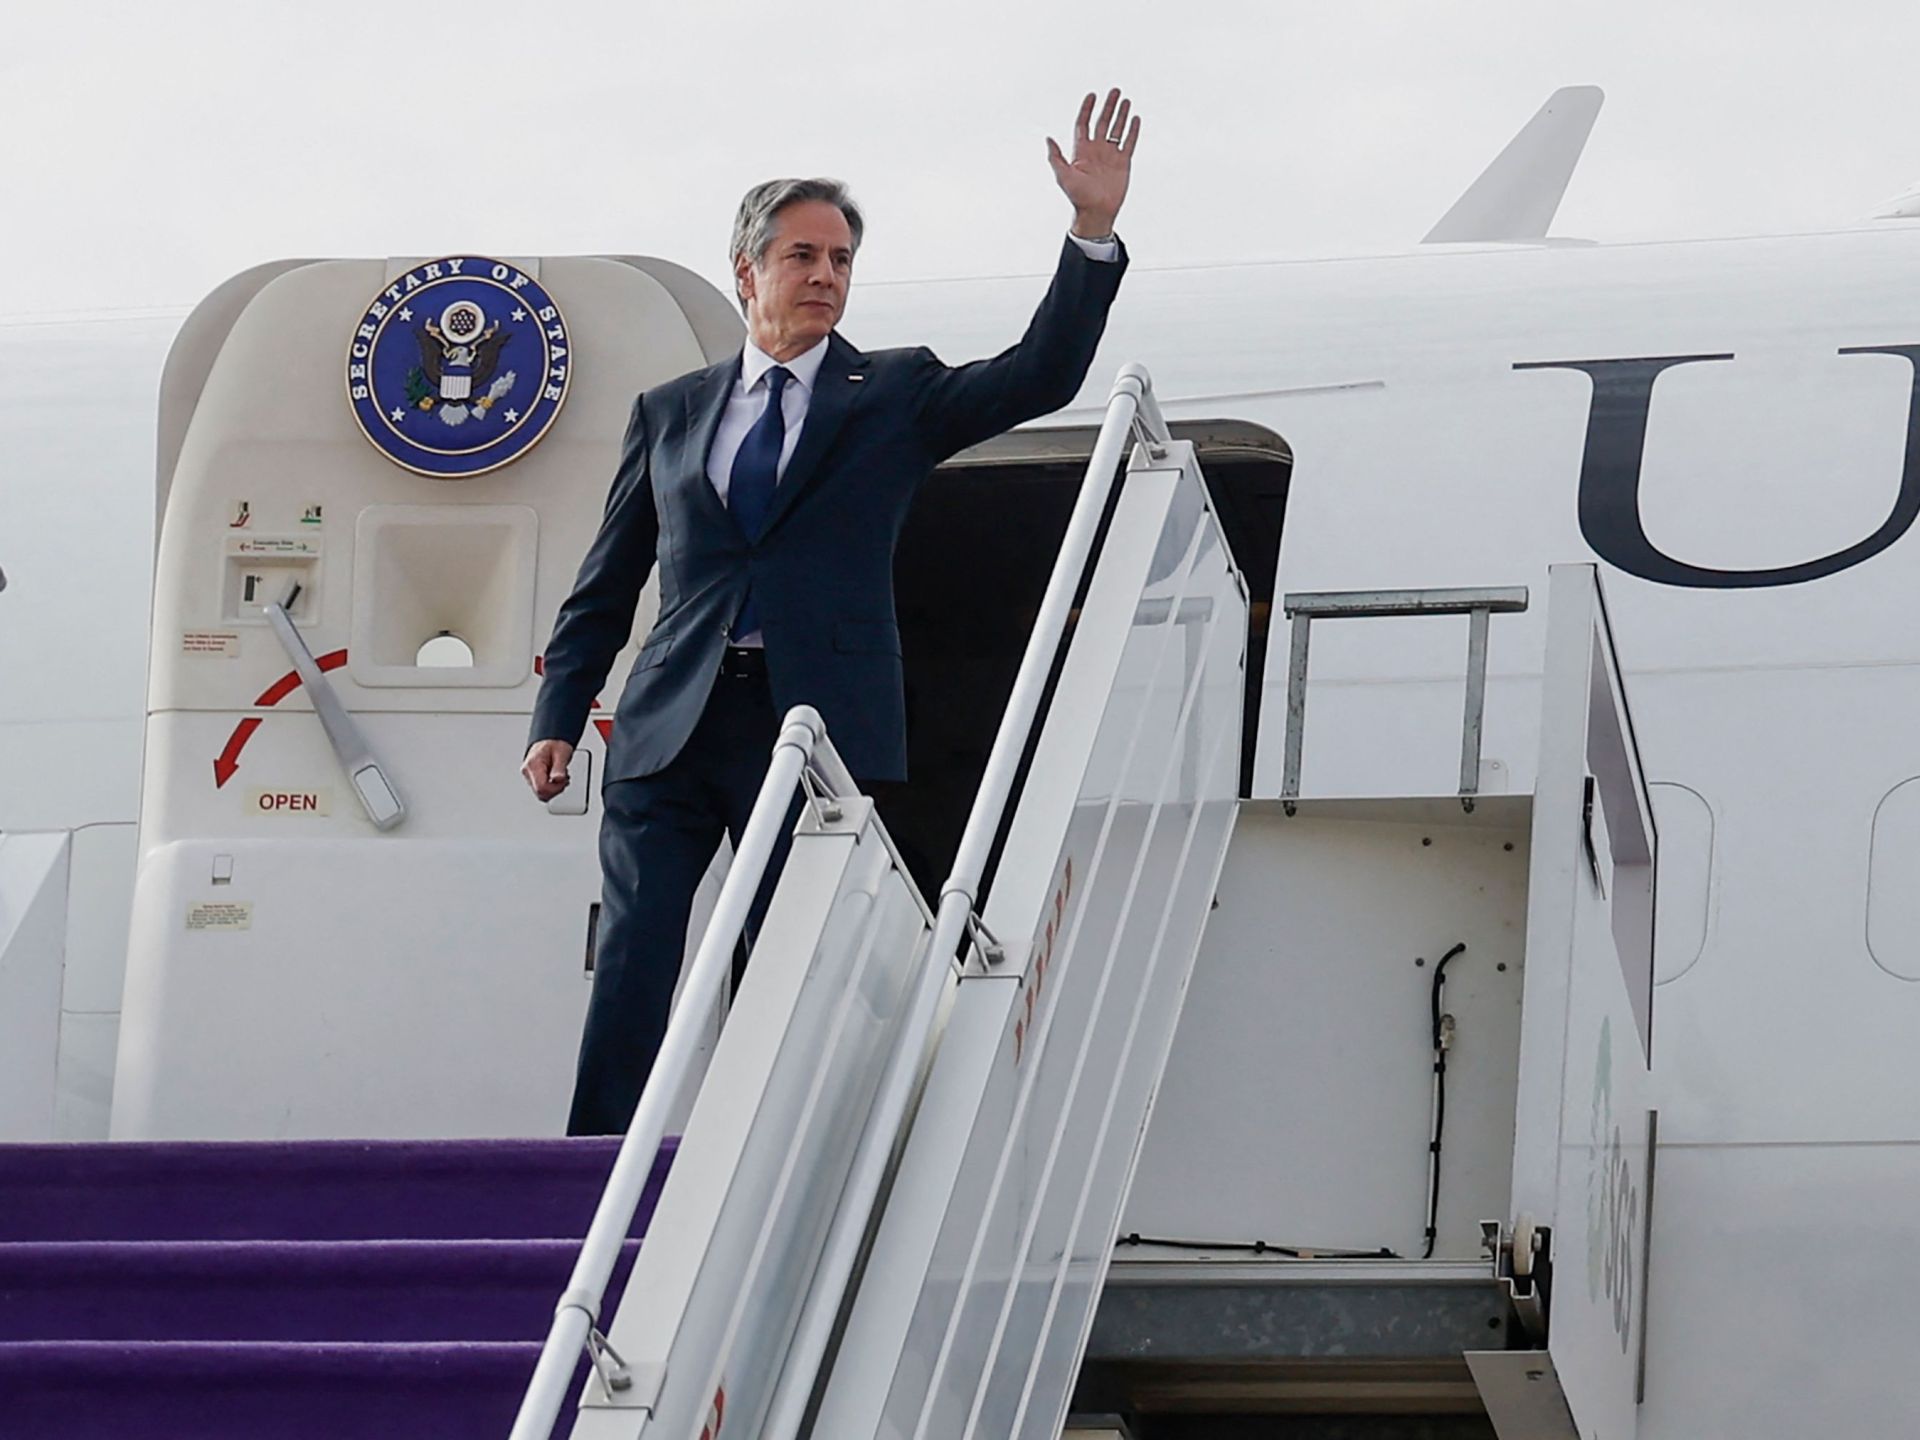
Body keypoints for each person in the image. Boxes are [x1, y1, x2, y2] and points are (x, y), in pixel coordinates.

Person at [523, 89, 1141, 1136]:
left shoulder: (893, 393)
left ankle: (751, 1156)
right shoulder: (670, 412)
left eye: (842, 259)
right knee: (635, 953)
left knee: (782, 958)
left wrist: (1091, 232)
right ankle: (591, 1168)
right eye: (802, 255)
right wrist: (557, 716)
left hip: (811, 725)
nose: (825, 275)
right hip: (672, 720)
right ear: (747, 271)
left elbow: (1039, 375)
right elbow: (607, 582)